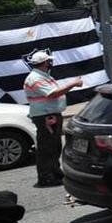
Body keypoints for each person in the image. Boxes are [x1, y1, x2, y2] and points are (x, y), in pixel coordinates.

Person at [22, 50, 82, 187]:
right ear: (44, 63)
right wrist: (73, 84)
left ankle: (55, 173)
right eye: (49, 61)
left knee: (54, 146)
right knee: (47, 147)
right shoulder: (35, 78)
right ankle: (46, 177)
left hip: (50, 115)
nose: (51, 63)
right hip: (45, 117)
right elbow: (52, 93)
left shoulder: (43, 76)